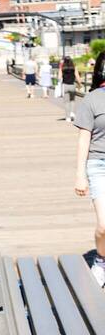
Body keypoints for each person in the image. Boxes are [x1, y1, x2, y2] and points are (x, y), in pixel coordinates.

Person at [71, 55, 105, 287]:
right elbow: (84, 139)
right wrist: (79, 174)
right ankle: (102, 260)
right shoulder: (92, 99)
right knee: (104, 226)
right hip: (99, 165)